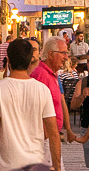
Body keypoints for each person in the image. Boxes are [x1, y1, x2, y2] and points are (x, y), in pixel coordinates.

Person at [0, 38, 60, 171]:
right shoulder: (42, 90)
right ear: (30, 61)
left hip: (5, 166)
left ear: (9, 60)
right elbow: (53, 133)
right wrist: (57, 167)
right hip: (35, 164)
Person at [32, 36, 76, 169]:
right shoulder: (41, 75)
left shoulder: (52, 74)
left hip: (51, 137)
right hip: (44, 139)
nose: (66, 57)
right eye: (63, 53)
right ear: (51, 54)